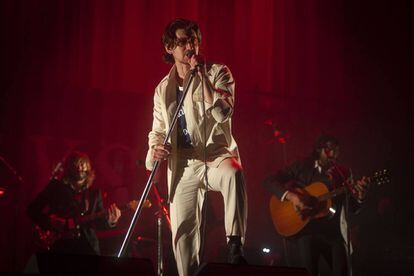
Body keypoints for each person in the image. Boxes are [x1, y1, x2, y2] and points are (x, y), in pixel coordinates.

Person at [145, 18, 248, 276]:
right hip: (185, 163)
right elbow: (157, 130)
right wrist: (156, 148)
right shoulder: (162, 90)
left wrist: (201, 78)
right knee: (183, 239)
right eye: (182, 41)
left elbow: (223, 113)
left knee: (234, 173)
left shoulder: (218, 73)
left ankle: (234, 244)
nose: (190, 45)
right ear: (170, 48)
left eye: (193, 39)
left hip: (215, 155)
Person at [262, 134, 369, 276]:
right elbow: (269, 181)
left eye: (336, 150)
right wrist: (292, 197)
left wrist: (360, 196)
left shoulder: (342, 173)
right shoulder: (301, 166)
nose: (333, 154)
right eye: (329, 149)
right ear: (319, 149)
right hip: (306, 231)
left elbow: (352, 207)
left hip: (333, 232)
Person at [27, 151, 121, 255]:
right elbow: (32, 210)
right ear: (69, 167)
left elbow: (97, 224)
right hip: (60, 247)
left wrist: (111, 221)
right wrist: (50, 221)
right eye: (77, 164)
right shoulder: (55, 187)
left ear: (88, 168)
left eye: (83, 163)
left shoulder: (94, 193)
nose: (80, 167)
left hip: (87, 249)